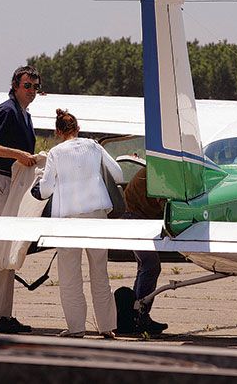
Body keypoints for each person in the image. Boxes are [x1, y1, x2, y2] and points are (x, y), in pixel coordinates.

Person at [37, 109, 122, 338]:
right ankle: (107, 327)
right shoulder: (94, 146)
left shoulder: (55, 152)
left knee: (70, 276)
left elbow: (45, 190)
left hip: (68, 219)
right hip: (96, 215)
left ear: (57, 131)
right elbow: (119, 173)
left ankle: (76, 328)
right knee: (100, 273)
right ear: (78, 128)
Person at [0, 65, 40, 334]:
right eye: (27, 86)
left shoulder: (24, 114)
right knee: (1, 249)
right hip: (0, 181)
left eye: (36, 87)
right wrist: (16, 153)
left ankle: (2, 315)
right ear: (15, 85)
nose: (32, 91)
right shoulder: (6, 110)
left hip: (13, 183)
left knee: (9, 250)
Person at [117, 167, 169, 335]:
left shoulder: (153, 171)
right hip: (134, 219)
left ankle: (137, 314)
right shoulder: (159, 174)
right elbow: (165, 203)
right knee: (150, 266)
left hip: (134, 218)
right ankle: (140, 315)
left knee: (145, 267)